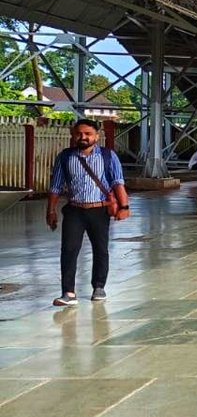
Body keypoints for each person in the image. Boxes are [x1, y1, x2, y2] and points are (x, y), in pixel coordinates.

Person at [46, 119, 130, 306]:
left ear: (96, 136)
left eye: (88, 134)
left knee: (100, 249)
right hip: (74, 210)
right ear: (73, 135)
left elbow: (118, 182)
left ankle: (99, 287)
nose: (83, 137)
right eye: (79, 133)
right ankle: (68, 293)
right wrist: (50, 210)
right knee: (68, 250)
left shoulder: (108, 156)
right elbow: (56, 186)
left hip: (99, 210)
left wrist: (124, 207)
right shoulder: (65, 157)